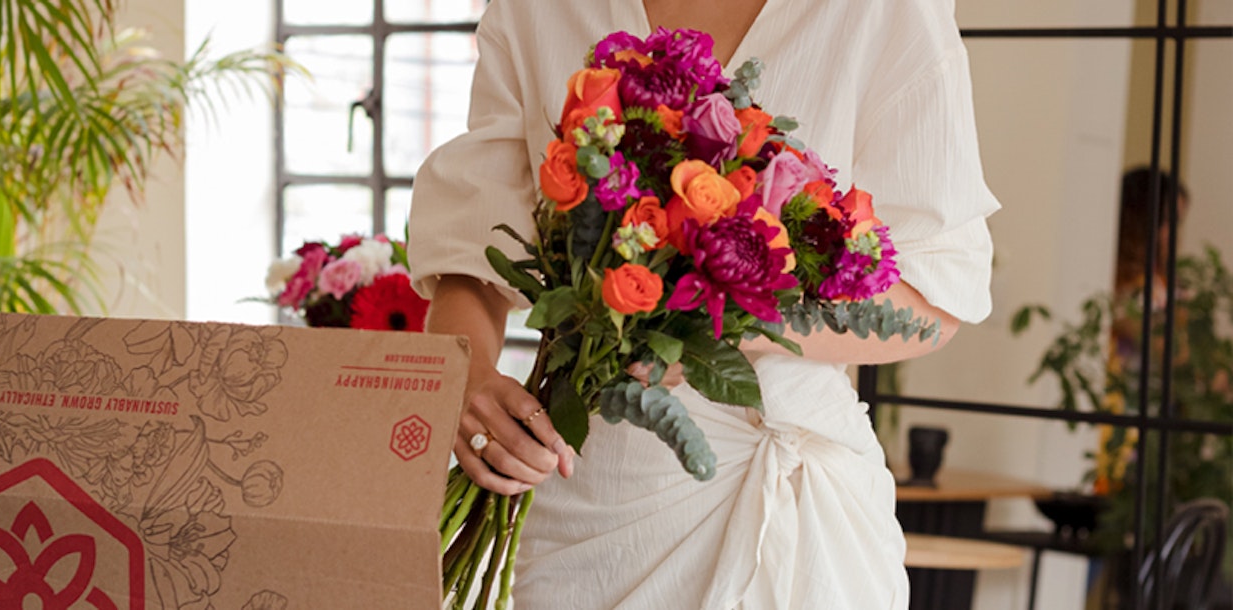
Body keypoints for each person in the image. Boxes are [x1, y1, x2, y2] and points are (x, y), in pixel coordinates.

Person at [408, 1, 999, 608]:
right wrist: (465, 378)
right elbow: (475, 243)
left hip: (788, 510)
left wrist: (726, 316)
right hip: (576, 499)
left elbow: (936, 296)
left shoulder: (885, 11)